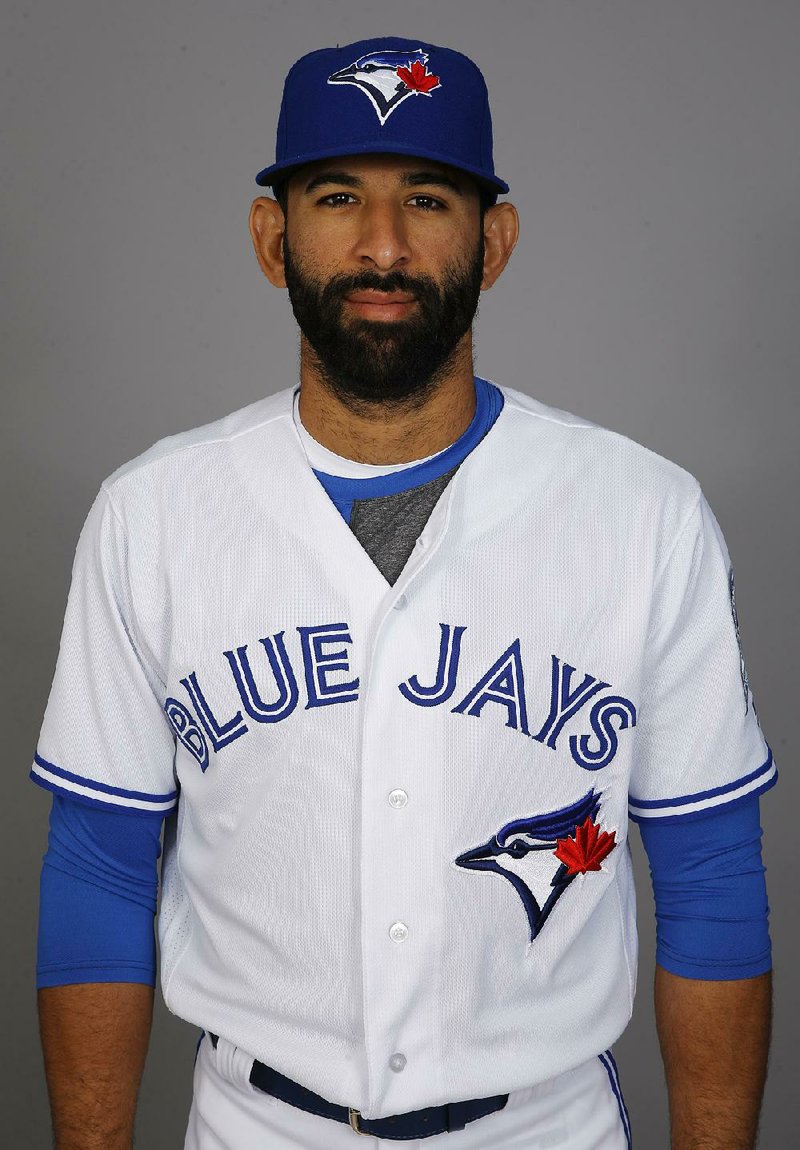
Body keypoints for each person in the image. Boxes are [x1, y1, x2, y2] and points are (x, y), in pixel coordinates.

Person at [33, 38, 776, 1150]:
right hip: (255, 1125)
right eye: (337, 197)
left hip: (541, 1128)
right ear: (271, 238)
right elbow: (97, 864)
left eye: (427, 199)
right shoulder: (151, 514)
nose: (381, 245)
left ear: (495, 241)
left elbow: (709, 874)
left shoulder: (642, 513)